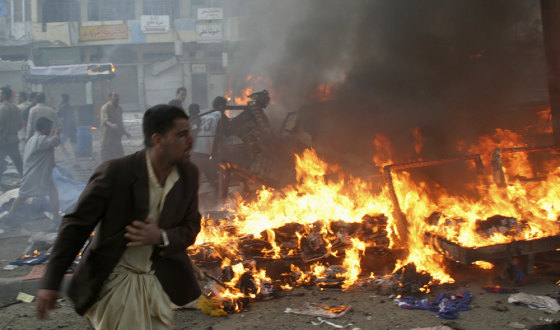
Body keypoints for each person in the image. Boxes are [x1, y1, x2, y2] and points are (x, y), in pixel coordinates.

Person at [36, 104, 201, 329]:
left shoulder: (188, 175)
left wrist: (161, 236)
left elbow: (191, 226)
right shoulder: (116, 173)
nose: (191, 140)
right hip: (113, 281)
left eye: (189, 133)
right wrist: (50, 282)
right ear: (158, 139)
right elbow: (76, 226)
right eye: (182, 134)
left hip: (156, 282)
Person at [7, 117, 60, 220]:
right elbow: (54, 142)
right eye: (49, 128)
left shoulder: (33, 139)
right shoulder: (40, 139)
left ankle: (56, 216)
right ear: (44, 128)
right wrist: (57, 133)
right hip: (35, 175)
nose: (50, 130)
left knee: (52, 192)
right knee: (23, 195)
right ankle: (10, 216)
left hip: (38, 174)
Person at [191, 96, 230, 193]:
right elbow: (228, 132)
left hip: (196, 152)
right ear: (221, 106)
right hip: (208, 154)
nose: (225, 109)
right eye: (225, 106)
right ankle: (222, 200)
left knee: (196, 181)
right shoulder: (221, 117)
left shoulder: (205, 115)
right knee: (218, 178)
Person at [0, 86, 23, 178]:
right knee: (19, 163)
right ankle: (26, 182)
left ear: (4, 95)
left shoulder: (2, 108)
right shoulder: (16, 108)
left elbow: (1, 127)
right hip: (14, 139)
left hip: (3, 141)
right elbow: (20, 125)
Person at [100, 92, 130, 162]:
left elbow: (120, 122)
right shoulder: (105, 107)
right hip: (107, 135)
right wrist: (112, 125)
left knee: (120, 154)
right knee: (106, 154)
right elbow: (105, 120)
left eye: (118, 97)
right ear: (110, 98)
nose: (117, 98)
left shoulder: (119, 108)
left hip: (117, 136)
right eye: (115, 96)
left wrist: (125, 132)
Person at [56, 93, 77, 163]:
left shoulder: (62, 108)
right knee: (73, 143)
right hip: (72, 128)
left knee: (60, 142)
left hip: (66, 129)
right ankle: (76, 161)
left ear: (63, 99)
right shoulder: (70, 107)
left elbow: (57, 115)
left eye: (60, 98)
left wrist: (58, 106)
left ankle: (68, 158)